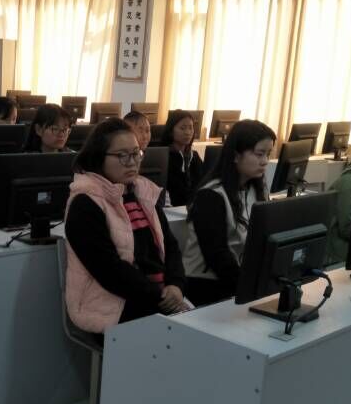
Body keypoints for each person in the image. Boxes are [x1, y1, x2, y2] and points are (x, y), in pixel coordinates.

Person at [63, 118, 189, 335]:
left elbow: (170, 246)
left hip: (155, 296)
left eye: (136, 153)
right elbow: (109, 271)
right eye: (122, 155)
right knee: (186, 338)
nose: (132, 162)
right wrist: (161, 297)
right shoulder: (85, 203)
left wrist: (176, 285)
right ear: (99, 157)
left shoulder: (142, 193)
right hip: (109, 306)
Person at [182, 120, 276, 306]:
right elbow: (217, 256)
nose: (265, 161)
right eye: (259, 154)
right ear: (235, 155)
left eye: (268, 154)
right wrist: (249, 287)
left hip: (239, 280)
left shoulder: (256, 189)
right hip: (206, 285)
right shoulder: (211, 195)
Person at [161, 109, 204, 207]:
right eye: (183, 128)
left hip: (194, 208)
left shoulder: (194, 156)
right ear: (171, 131)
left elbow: (203, 182)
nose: (188, 132)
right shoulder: (164, 157)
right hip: (172, 209)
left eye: (191, 128)